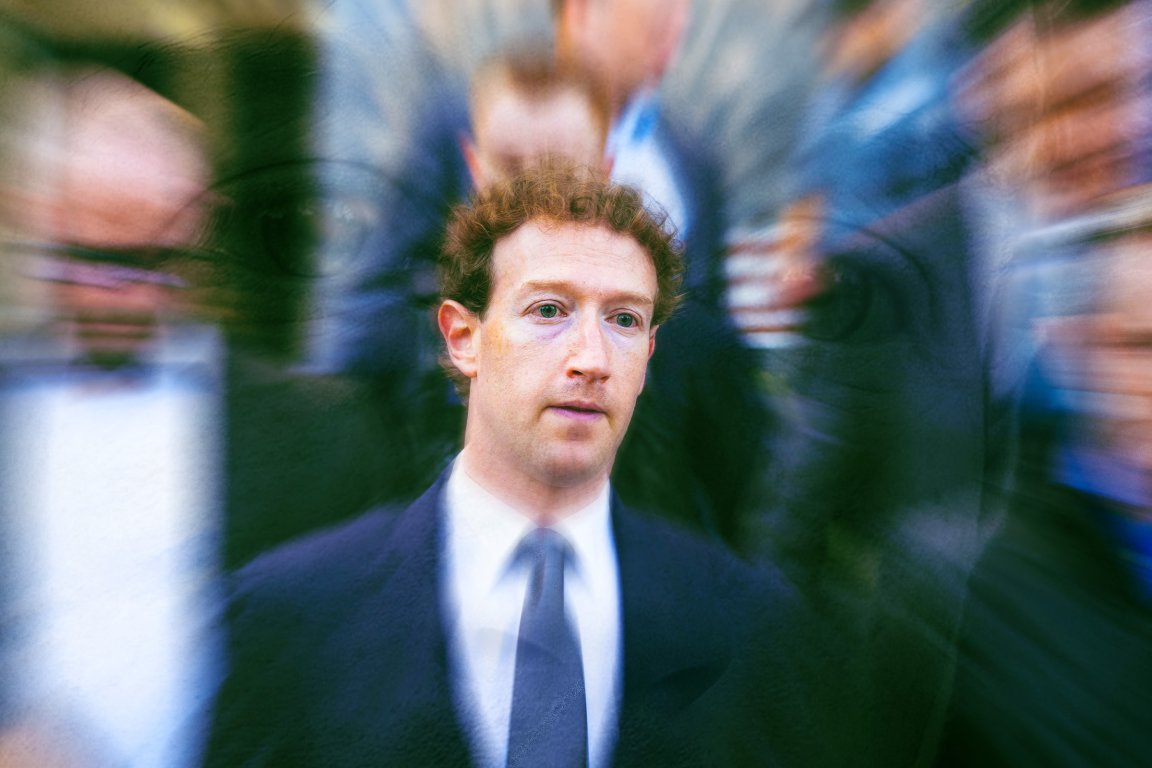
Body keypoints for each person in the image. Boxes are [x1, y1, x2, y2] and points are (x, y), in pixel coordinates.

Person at [204, 165, 819, 768]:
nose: (593, 358)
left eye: (625, 319)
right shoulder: (292, 613)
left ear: (649, 354)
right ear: (462, 337)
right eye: (550, 311)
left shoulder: (747, 623)